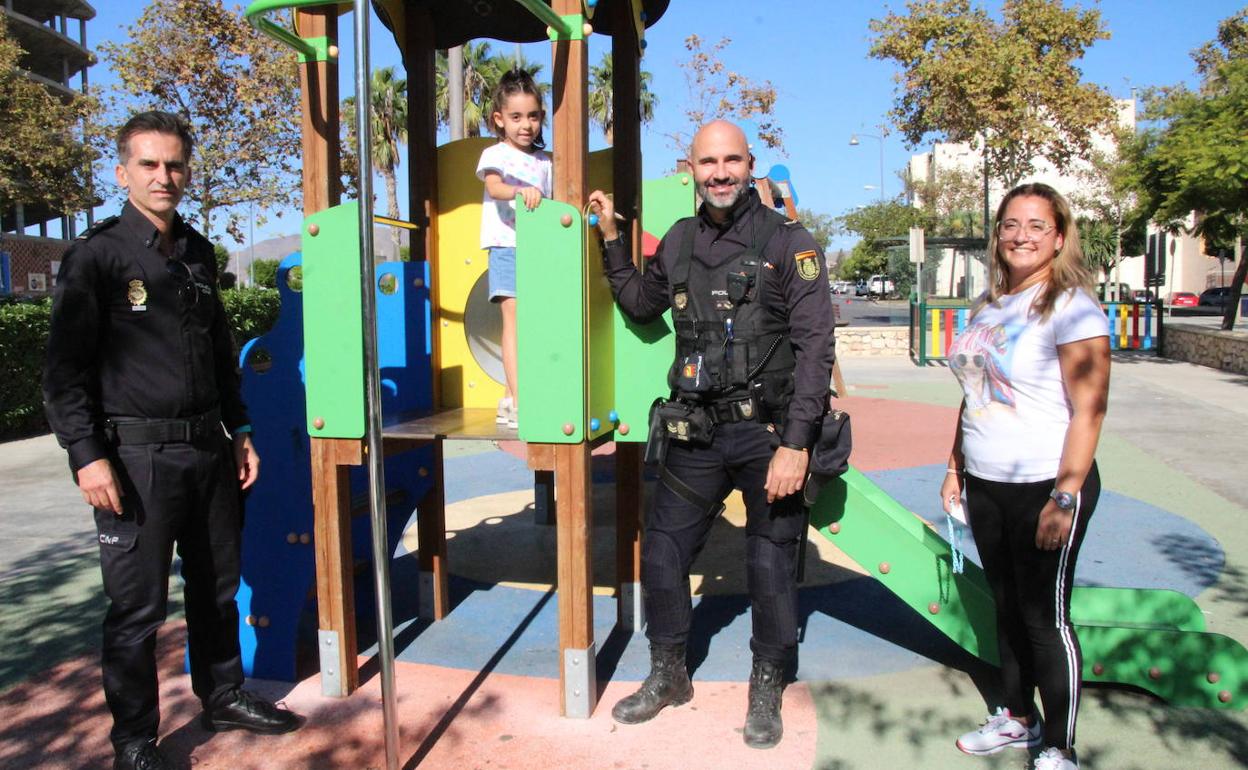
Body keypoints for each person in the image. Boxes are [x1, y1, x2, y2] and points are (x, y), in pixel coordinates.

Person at [43, 111, 301, 770]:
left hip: (207, 449)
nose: (165, 177)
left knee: (217, 587)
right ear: (123, 171)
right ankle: (134, 742)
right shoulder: (97, 256)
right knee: (136, 610)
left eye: (175, 164)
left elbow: (219, 355)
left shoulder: (197, 251)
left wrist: (239, 428)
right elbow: (64, 372)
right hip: (133, 458)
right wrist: (86, 455)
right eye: (150, 165)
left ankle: (223, 694)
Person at [587, 120, 835, 749]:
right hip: (696, 430)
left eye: (731, 161)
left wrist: (797, 444)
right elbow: (642, 304)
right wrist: (611, 238)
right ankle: (668, 672)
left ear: (751, 164)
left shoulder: (789, 242)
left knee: (768, 559)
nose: (720, 173)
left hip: (768, 434)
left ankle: (768, 679)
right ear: (690, 168)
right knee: (663, 552)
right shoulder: (677, 240)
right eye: (708, 162)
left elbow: (815, 348)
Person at [940, 183, 1109, 770]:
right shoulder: (989, 306)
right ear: (997, 235)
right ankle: (1017, 717)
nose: (1022, 236)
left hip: (1047, 484)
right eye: (1011, 224)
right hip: (988, 482)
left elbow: (1089, 409)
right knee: (1006, 607)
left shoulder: (1072, 307)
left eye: (1037, 226)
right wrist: (956, 466)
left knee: (1044, 617)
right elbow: (973, 393)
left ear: (1059, 237)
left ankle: (1061, 746)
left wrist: (1065, 494)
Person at [476, 68, 553, 430]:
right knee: (514, 320)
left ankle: (510, 397)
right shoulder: (496, 154)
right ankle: (521, 400)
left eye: (533, 116)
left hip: (537, 250)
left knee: (535, 323)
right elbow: (495, 188)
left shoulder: (545, 162)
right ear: (499, 119)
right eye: (516, 117)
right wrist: (521, 191)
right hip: (507, 244)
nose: (526, 125)